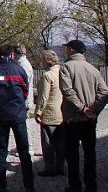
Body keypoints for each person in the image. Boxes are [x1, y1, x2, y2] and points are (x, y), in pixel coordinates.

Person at [59, 39, 108, 192]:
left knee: (72, 154)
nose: (66, 51)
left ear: (72, 50)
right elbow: (104, 92)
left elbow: (68, 91)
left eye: (67, 48)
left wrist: (82, 108)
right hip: (89, 119)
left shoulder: (66, 67)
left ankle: (75, 185)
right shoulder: (93, 69)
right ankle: (91, 184)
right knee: (90, 153)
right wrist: (94, 110)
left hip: (73, 117)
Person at [0, 44, 34, 192]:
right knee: (24, 151)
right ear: (12, 55)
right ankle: (29, 185)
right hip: (18, 115)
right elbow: (25, 91)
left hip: (0, 115)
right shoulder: (19, 70)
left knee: (1, 152)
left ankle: (1, 187)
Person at [34, 49, 65, 177]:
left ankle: (50, 167)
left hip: (50, 112)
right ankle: (60, 165)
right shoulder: (63, 72)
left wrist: (38, 111)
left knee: (48, 143)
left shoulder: (47, 75)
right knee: (61, 142)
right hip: (62, 111)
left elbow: (43, 96)